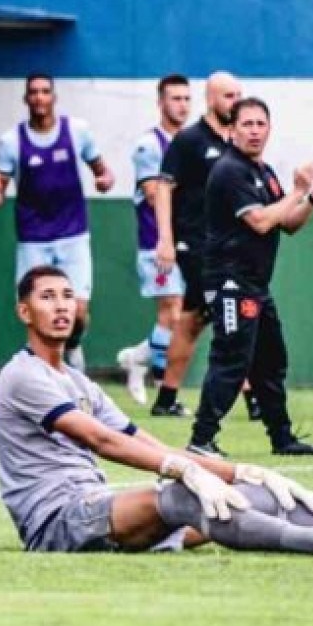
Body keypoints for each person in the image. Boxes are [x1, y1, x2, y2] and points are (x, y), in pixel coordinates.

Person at [0, 264, 313, 556]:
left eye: (67, 297)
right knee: (186, 497)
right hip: (58, 522)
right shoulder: (23, 375)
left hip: (98, 511)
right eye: (47, 297)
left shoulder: (76, 380)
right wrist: (184, 472)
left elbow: (146, 442)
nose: (61, 306)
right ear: (24, 312)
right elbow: (101, 441)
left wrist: (241, 470)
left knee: (248, 493)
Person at [188, 98, 313, 457]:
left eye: (261, 124)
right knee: (231, 359)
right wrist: (299, 191)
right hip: (229, 281)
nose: (255, 131)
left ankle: (282, 438)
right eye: (247, 124)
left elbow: (287, 223)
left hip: (255, 284)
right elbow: (260, 221)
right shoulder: (229, 170)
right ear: (231, 129)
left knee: (270, 359)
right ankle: (200, 440)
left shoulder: (264, 171)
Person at [0, 74, 114, 369]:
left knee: (78, 310)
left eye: (45, 91)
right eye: (34, 92)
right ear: (26, 99)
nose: (40, 97)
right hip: (33, 239)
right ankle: (44, 368)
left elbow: (103, 173)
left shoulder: (78, 131)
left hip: (73, 234)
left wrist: (104, 180)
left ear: (54, 97)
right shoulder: (10, 142)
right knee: (34, 309)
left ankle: (73, 347)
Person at [150, 71, 256, 419]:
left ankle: (166, 397)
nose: (236, 101)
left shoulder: (239, 140)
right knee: (230, 312)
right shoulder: (190, 139)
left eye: (239, 94)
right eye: (229, 95)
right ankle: (253, 397)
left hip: (232, 245)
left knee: (193, 319)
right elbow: (164, 187)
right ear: (211, 99)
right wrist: (165, 239)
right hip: (194, 243)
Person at [115, 74, 191, 407]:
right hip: (156, 243)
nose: (182, 105)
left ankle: (137, 358)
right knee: (171, 312)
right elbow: (152, 193)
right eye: (175, 98)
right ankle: (165, 392)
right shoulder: (150, 145)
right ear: (160, 102)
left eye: (187, 99)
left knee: (184, 316)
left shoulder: (190, 142)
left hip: (188, 244)